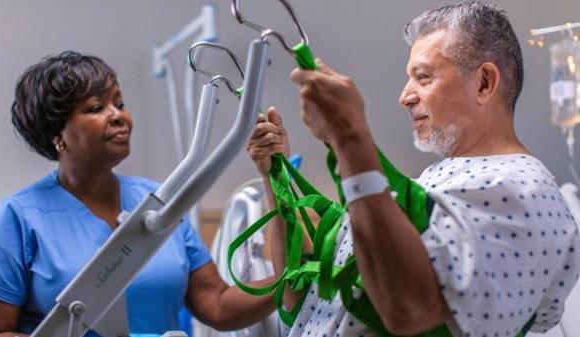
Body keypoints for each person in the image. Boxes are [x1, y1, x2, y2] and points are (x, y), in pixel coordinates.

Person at [247, 2, 580, 337]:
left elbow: (411, 310)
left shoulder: (524, 193)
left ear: (483, 83)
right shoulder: (429, 188)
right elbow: (300, 299)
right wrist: (276, 176)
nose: (405, 97)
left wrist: (349, 138)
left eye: (423, 77)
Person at [0, 51, 275, 337]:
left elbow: (218, 305)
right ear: (57, 135)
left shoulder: (161, 201)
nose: (119, 116)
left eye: (119, 104)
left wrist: (293, 281)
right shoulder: (19, 217)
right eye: (96, 108)